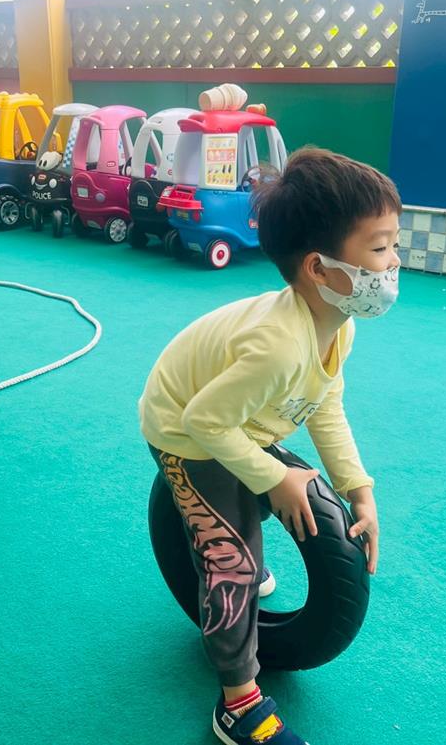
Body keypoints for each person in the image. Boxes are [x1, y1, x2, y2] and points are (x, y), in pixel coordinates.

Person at [139, 147, 401, 745]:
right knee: (230, 560)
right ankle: (237, 704)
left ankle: (243, 521)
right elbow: (205, 422)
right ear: (319, 268)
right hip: (184, 429)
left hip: (242, 422)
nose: (393, 263)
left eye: (393, 245)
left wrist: (358, 489)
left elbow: (326, 404)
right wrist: (272, 478)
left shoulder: (338, 325)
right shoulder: (277, 346)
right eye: (380, 248)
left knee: (254, 483)